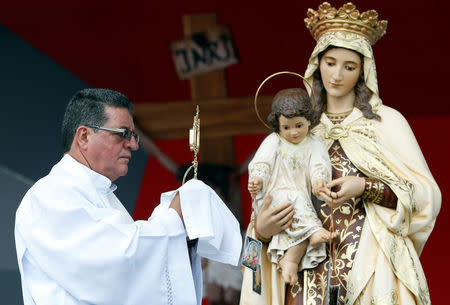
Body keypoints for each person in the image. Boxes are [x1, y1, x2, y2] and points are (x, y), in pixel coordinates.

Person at [249, 2, 441, 305]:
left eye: (349, 66)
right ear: (316, 64)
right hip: (301, 274)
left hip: (371, 268)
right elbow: (261, 208)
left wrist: (365, 187)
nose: (336, 74)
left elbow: (426, 197)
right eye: (330, 62)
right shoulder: (296, 129)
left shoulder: (386, 123)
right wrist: (261, 231)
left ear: (363, 71)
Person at [14, 88, 242, 305]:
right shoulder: (50, 196)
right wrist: (174, 218)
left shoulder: (99, 195)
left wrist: (183, 238)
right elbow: (110, 267)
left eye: (134, 136)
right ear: (83, 136)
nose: (133, 145)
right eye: (123, 134)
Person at [246, 88, 337, 286]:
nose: (293, 132)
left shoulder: (314, 143)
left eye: (299, 125)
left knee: (301, 221)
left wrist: (319, 181)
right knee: (300, 208)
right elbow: (262, 164)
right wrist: (258, 179)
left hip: (301, 200)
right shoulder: (273, 142)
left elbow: (319, 165)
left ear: (309, 121)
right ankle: (312, 233)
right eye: (286, 127)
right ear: (277, 126)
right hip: (275, 197)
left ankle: (291, 260)